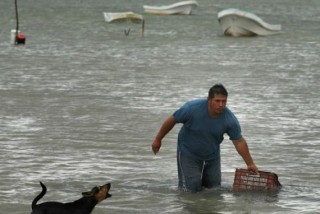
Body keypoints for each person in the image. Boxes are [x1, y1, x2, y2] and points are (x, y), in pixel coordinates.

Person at [152, 84, 258, 192]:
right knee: (191, 189)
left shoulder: (229, 120)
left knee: (214, 189)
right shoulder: (191, 108)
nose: (221, 105)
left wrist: (250, 163)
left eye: (224, 101)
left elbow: (239, 141)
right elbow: (172, 120)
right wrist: (158, 140)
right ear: (209, 100)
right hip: (188, 152)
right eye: (217, 101)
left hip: (212, 154)